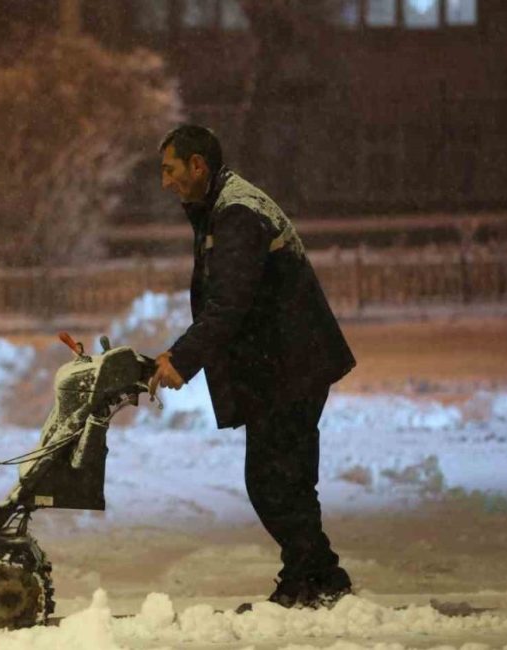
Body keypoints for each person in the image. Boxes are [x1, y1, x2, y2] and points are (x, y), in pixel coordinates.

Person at [147, 124, 356, 610]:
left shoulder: (237, 214)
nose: (165, 182)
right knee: (285, 479)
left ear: (198, 165)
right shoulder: (224, 206)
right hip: (286, 361)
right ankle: (318, 577)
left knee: (274, 480)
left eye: (170, 170)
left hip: (290, 364)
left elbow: (230, 304)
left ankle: (312, 580)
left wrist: (181, 359)